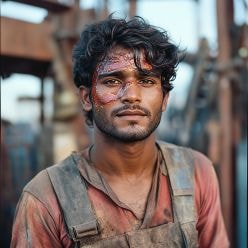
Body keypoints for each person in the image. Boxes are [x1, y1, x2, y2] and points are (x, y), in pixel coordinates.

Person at [11, 16, 229, 248]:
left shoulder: (196, 171)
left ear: (165, 99)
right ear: (87, 98)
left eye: (146, 81)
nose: (131, 95)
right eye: (113, 81)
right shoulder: (44, 198)